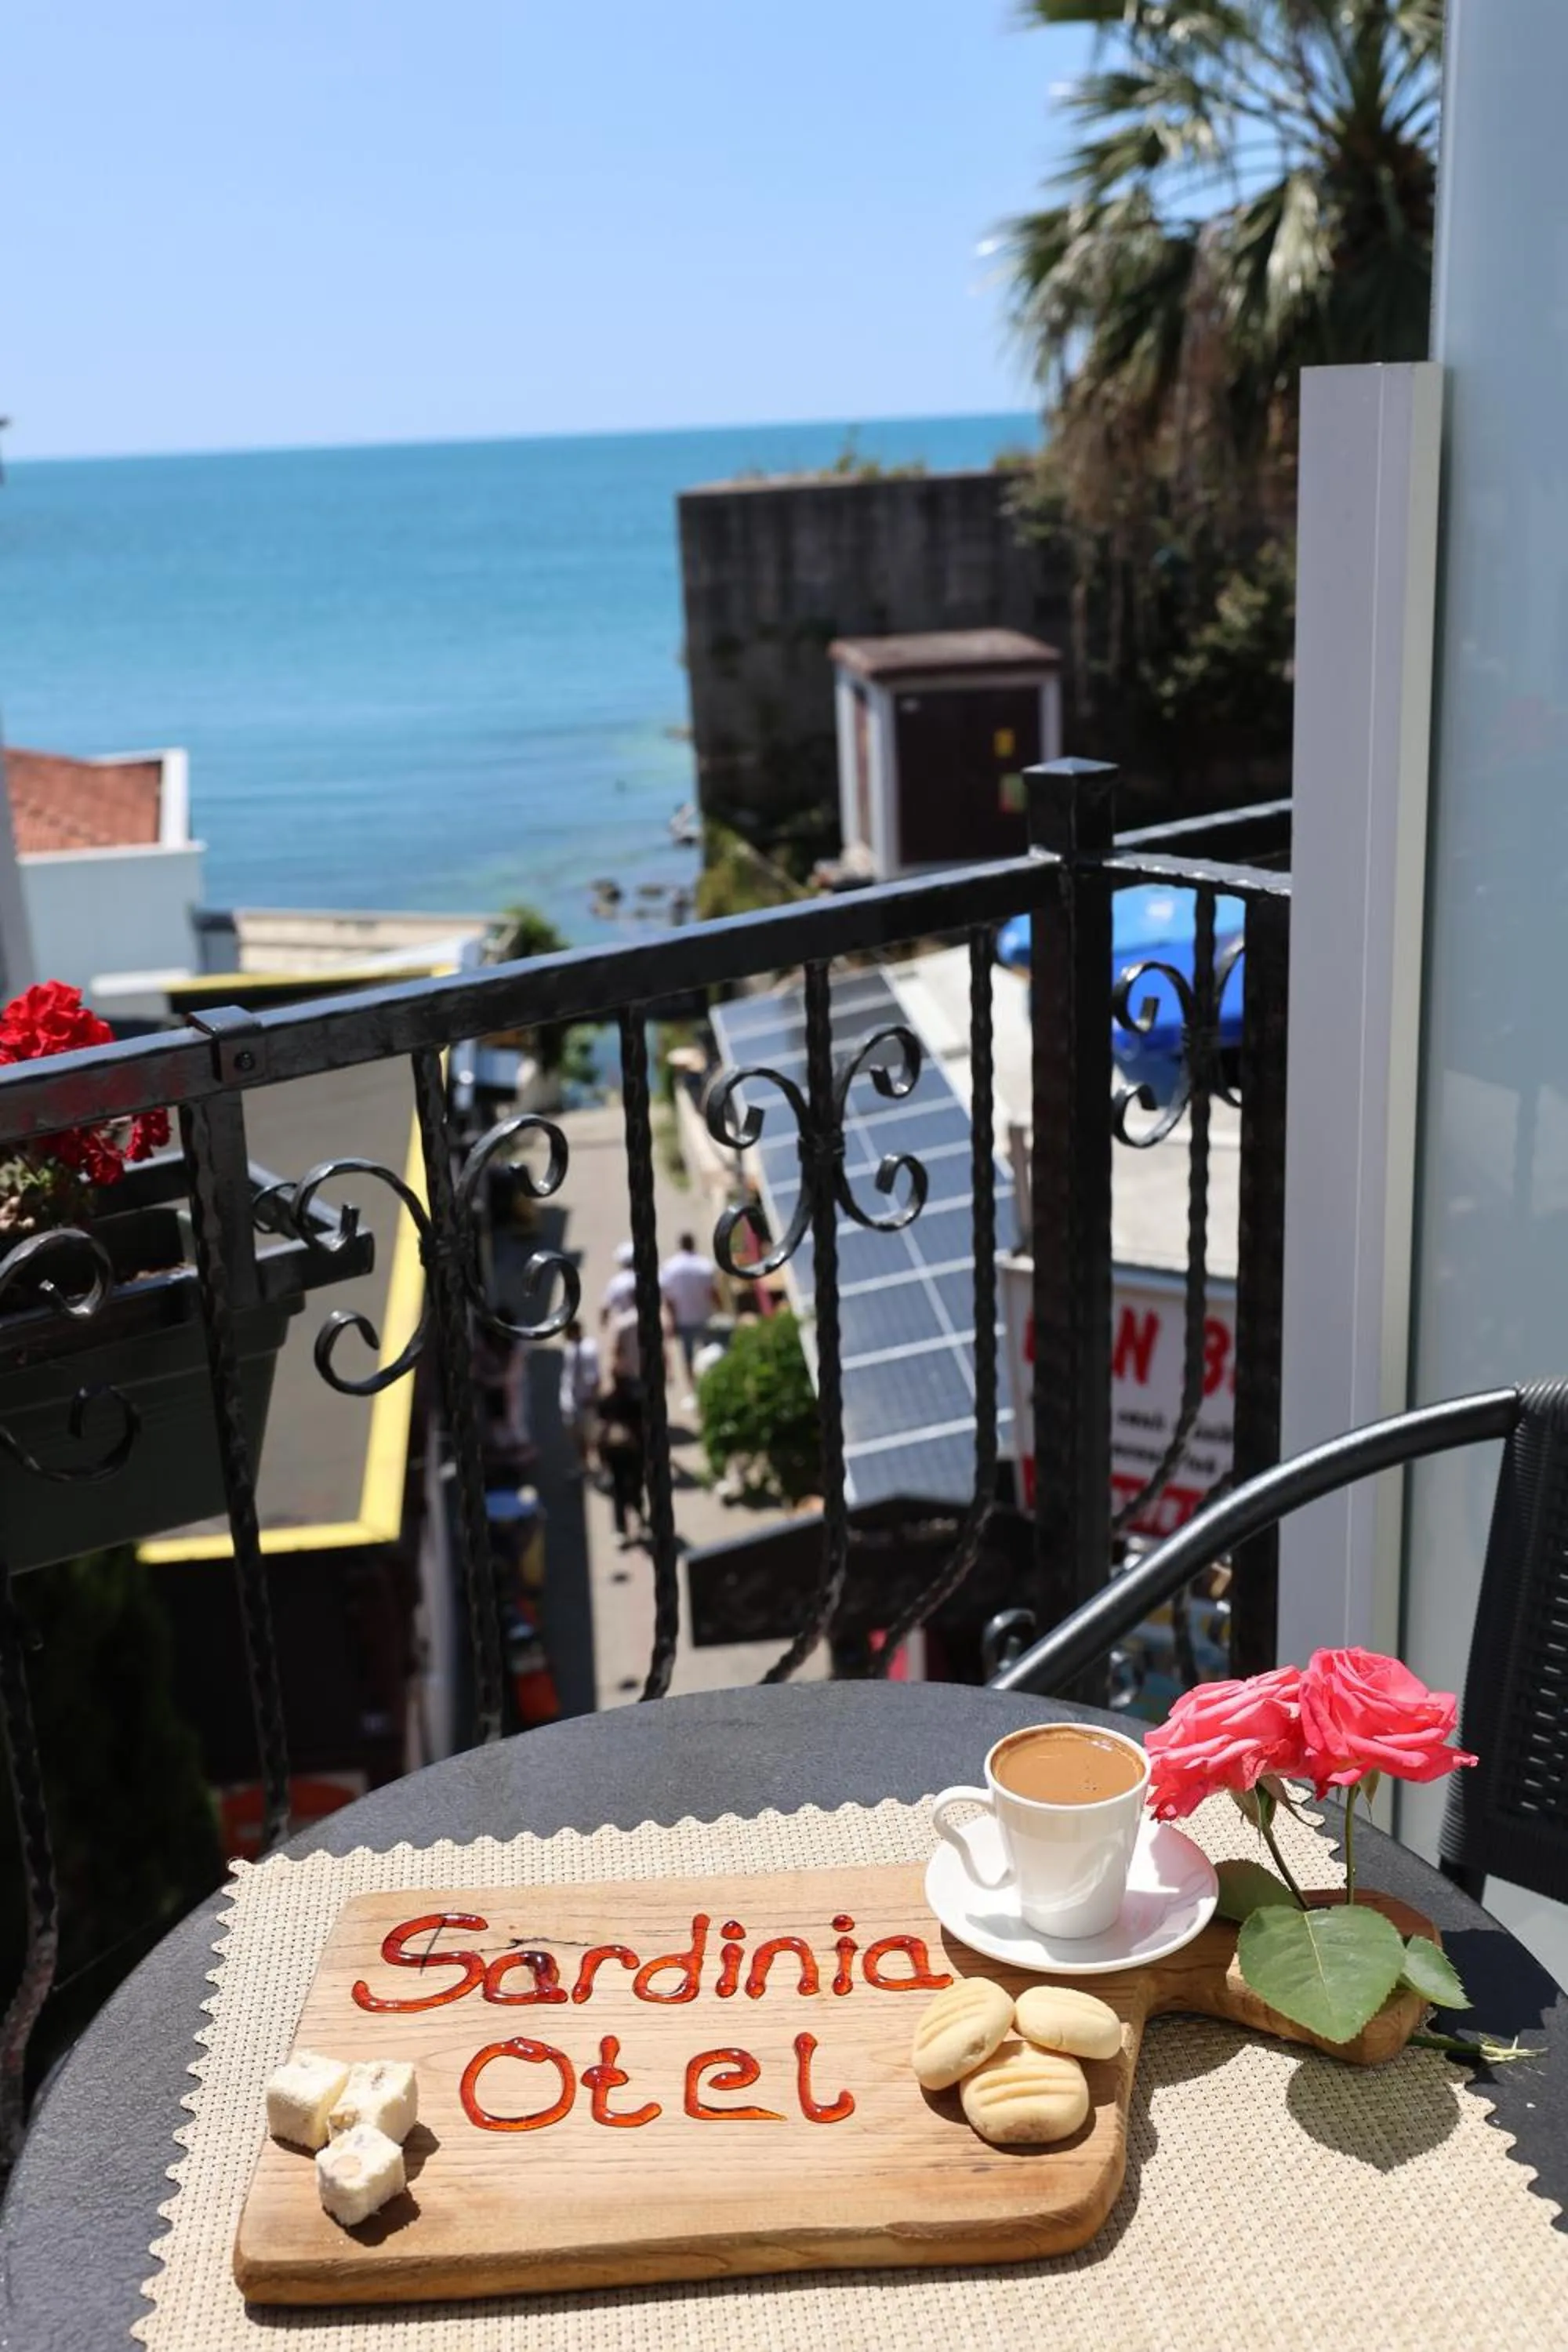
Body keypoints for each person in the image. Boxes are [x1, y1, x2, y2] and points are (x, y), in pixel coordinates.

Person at [659, 1230, 718, 1402]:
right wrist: (720, 1310)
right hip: (704, 1317)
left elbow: (669, 1299)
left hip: (683, 1320)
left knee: (688, 1358)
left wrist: (671, 1320)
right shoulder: (704, 1265)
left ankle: (693, 1391)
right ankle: (711, 1387)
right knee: (708, 1355)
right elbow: (712, 1292)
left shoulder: (670, 1267)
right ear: (693, 1244)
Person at [597, 1374, 646, 1548]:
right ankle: (625, 1526)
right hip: (621, 1454)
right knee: (623, 1491)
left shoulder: (632, 1401)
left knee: (630, 1489)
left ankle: (635, 1522)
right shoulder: (612, 1402)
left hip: (629, 1453)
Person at [557, 1319, 600, 1476]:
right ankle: (584, 1466)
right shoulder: (570, 1347)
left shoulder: (587, 1350)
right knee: (578, 1437)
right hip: (571, 1402)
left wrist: (592, 1399)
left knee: (589, 1437)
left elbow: (594, 1379)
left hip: (583, 1402)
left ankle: (596, 1468)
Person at [599, 1240, 637, 1327]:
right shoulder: (645, 1277)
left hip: (624, 1324)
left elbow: (605, 1307)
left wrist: (604, 1324)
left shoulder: (616, 1282)